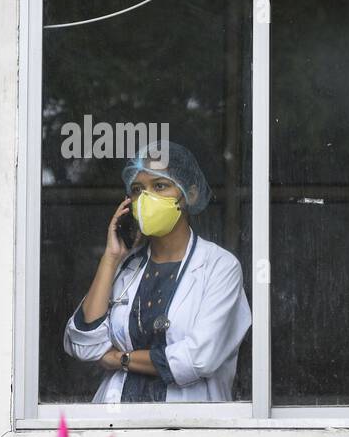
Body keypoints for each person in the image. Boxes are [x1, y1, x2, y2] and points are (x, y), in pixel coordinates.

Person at [63, 141, 252, 403]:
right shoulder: (127, 268)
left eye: (160, 186)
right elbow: (83, 345)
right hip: (116, 419)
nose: (147, 198)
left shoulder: (219, 266)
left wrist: (121, 358)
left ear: (190, 195)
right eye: (138, 189)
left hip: (188, 424)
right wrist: (111, 258)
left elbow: (198, 359)